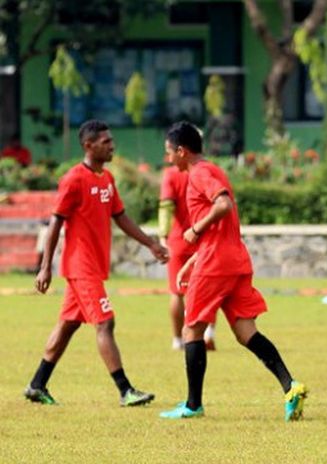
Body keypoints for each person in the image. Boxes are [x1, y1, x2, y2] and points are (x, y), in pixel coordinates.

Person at [159, 121, 307, 420]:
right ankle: (290, 386)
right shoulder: (211, 169)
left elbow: (223, 204)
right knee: (245, 332)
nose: (167, 159)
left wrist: (196, 230)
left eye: (168, 152)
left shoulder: (199, 173)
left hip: (216, 263)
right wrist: (193, 257)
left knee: (192, 329)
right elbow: (223, 218)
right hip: (233, 258)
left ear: (181, 151)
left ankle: (192, 405)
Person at [24, 120, 168, 406]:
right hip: (81, 266)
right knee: (105, 322)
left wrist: (151, 243)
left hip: (92, 266)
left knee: (68, 325)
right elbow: (56, 221)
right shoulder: (74, 179)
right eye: (105, 142)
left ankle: (37, 385)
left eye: (112, 140)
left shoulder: (107, 179)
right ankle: (126, 391)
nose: (112, 145)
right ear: (88, 146)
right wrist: (44, 267)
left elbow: (121, 217)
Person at [158, 163, 217, 351]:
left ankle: (177, 340)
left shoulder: (171, 175)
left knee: (176, 293)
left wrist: (162, 235)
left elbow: (166, 206)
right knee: (207, 291)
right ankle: (207, 335)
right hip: (202, 238)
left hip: (178, 239)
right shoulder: (207, 172)